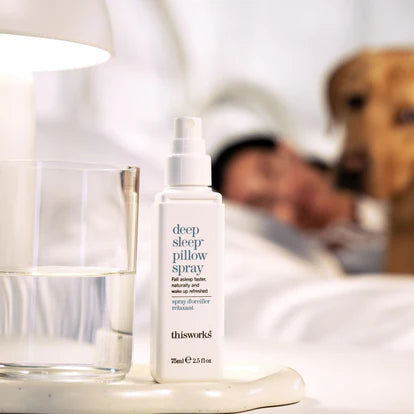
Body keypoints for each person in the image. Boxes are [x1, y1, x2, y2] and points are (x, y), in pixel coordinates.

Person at [212, 133, 387, 273]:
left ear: (288, 150)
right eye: (264, 204)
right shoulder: (327, 272)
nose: (285, 194)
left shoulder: (384, 162)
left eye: (271, 172)